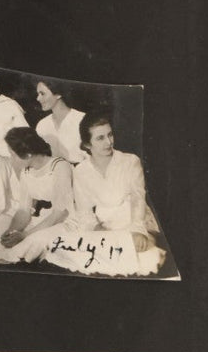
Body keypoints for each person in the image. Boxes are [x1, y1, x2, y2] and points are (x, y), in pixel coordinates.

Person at [45, 113, 166, 277]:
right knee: (61, 247)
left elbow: (138, 198)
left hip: (132, 220)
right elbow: (84, 211)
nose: (109, 142)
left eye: (110, 134)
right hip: (103, 226)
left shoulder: (130, 161)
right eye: (100, 138)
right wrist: (101, 231)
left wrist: (138, 231)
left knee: (146, 258)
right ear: (88, 144)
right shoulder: (81, 171)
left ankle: (136, 247)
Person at [0, 127, 75, 266]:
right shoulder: (26, 172)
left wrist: (25, 235)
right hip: (39, 220)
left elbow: (60, 213)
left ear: (28, 154)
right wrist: (12, 231)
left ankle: (2, 259)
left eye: (13, 155)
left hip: (61, 220)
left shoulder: (59, 166)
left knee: (34, 240)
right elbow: (24, 210)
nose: (11, 159)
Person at [34, 80, 87, 164]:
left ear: (58, 94)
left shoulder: (82, 119)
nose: (38, 98)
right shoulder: (42, 125)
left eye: (42, 94)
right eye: (38, 94)